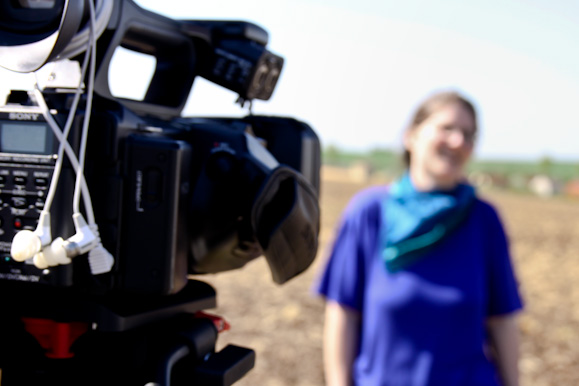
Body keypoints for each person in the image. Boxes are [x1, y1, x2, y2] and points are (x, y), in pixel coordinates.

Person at [315, 91, 523, 386]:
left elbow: (502, 320)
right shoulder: (369, 213)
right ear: (411, 136)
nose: (458, 141)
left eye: (468, 134)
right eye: (447, 128)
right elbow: (342, 313)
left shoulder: (483, 219)